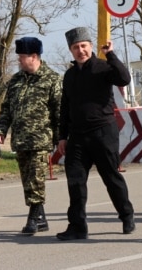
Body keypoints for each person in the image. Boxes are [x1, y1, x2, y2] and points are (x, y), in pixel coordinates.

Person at [56, 26, 135, 240]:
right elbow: (65, 107)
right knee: (75, 181)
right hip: (78, 137)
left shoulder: (103, 67)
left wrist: (110, 54)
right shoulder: (70, 75)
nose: (80, 50)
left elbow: (124, 78)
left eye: (83, 46)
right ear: (71, 50)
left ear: (90, 47)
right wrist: (62, 136)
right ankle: (77, 226)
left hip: (103, 132)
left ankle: (127, 215)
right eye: (76, 47)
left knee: (111, 177)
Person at [0, 37, 62, 235]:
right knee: (27, 180)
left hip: (41, 139)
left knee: (36, 178)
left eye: (22, 57)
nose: (19, 61)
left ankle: (33, 218)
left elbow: (59, 111)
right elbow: (6, 108)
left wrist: (60, 139)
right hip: (21, 139)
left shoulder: (51, 79)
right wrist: (1, 129)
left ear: (34, 57)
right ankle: (41, 219)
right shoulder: (16, 81)